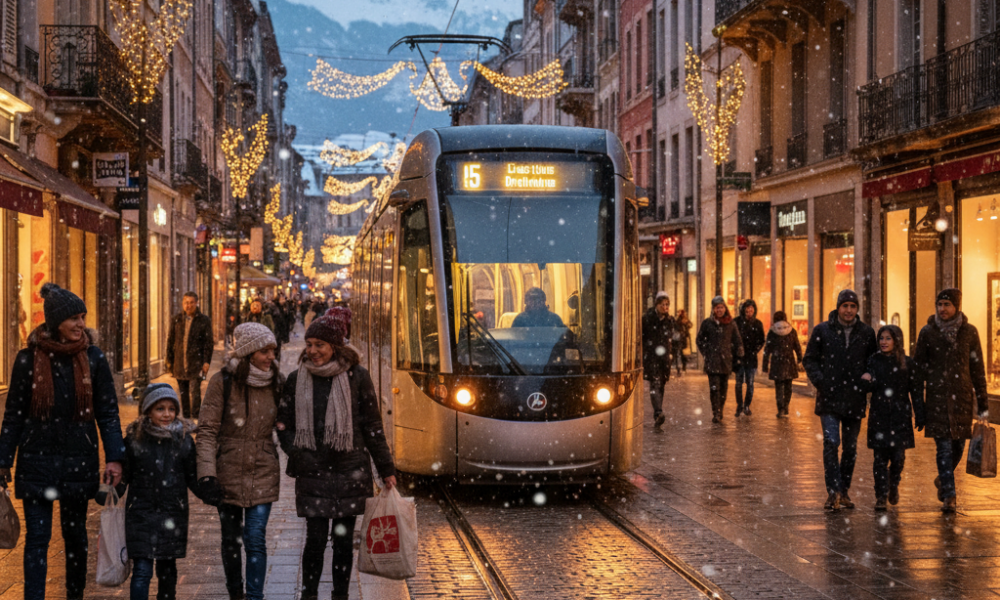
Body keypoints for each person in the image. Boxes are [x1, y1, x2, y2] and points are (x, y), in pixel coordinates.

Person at [0, 282, 125, 600]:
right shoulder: (28, 360)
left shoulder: (93, 359)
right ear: (55, 321)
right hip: (36, 460)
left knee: (75, 538)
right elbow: (13, 415)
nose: (80, 324)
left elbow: (108, 413)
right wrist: (3, 460)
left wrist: (115, 458)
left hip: (78, 459)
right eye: (74, 318)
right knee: (38, 539)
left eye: (82, 317)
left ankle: (74, 595)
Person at [276, 313, 396, 600]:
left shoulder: (357, 376)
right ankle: (309, 595)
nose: (313, 351)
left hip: (349, 469)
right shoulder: (296, 379)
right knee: (315, 541)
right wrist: (296, 451)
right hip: (313, 471)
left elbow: (371, 425)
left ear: (335, 346)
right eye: (309, 344)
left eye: (320, 345)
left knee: (342, 541)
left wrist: (386, 468)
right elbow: (283, 424)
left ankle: (340, 595)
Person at [197, 322, 283, 600]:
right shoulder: (222, 382)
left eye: (273, 350)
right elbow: (207, 430)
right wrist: (207, 474)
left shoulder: (277, 382)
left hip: (263, 467)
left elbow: (288, 425)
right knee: (231, 541)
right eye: (265, 351)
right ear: (248, 353)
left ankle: (254, 597)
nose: (271, 356)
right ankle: (236, 593)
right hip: (228, 471)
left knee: (255, 538)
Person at [119, 383, 200, 600]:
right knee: (142, 570)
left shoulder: (183, 442)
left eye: (171, 409)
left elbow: (194, 478)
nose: (167, 414)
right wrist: (110, 488)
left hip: (172, 515)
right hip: (141, 514)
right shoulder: (134, 440)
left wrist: (216, 494)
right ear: (148, 411)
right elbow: (123, 476)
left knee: (167, 572)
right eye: (160, 408)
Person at [913, 288, 989, 513]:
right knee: (943, 447)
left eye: (947, 304)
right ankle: (949, 494)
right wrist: (918, 407)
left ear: (956, 306)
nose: (942, 309)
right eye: (939, 304)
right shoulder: (928, 332)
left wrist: (983, 403)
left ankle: (943, 479)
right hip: (937, 400)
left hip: (962, 400)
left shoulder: (969, 333)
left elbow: (978, 369)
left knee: (958, 446)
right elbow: (917, 373)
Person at [803, 289, 877, 511]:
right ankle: (833, 491)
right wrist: (821, 381)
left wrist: (868, 378)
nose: (848, 310)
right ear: (838, 308)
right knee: (831, 443)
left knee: (851, 448)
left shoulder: (866, 333)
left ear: (857, 309)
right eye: (845, 306)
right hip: (829, 399)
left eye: (852, 306)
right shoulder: (822, 331)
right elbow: (810, 360)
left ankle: (843, 490)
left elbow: (873, 361)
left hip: (854, 398)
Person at [860, 325, 925, 511]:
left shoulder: (907, 363)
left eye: (888, 338)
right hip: (879, 415)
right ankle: (880, 496)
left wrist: (920, 414)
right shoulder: (873, 360)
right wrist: (866, 380)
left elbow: (916, 390)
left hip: (900, 416)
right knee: (880, 459)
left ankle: (893, 484)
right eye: (881, 338)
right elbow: (868, 386)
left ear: (896, 340)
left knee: (898, 458)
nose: (883, 342)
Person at [165, 291, 215, 419]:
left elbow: (208, 343)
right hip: (180, 361)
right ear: (182, 304)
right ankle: (187, 417)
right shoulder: (177, 319)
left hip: (196, 362)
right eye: (186, 303)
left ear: (197, 303)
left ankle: (196, 416)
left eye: (191, 303)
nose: (189, 306)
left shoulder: (204, 320)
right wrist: (169, 359)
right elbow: (171, 341)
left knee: (195, 391)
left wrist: (206, 361)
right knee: (183, 392)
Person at [696, 296, 744, 423]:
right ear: (713, 309)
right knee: (714, 388)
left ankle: (720, 408)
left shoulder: (730, 323)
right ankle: (716, 412)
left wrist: (738, 350)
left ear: (725, 308)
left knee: (723, 388)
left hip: (725, 362)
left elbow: (737, 340)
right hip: (712, 361)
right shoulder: (707, 323)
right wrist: (706, 352)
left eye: (721, 307)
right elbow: (699, 340)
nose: (719, 310)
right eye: (717, 308)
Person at [641, 291, 674, 429]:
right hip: (651, 356)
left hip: (664, 358)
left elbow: (671, 338)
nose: (665, 307)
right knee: (655, 383)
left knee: (661, 384)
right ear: (657, 305)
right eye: (662, 305)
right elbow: (642, 337)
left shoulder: (670, 320)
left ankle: (658, 411)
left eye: (667, 305)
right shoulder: (648, 318)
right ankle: (658, 412)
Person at [762, 311, 802, 418]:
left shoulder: (773, 331)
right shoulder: (791, 330)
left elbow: (767, 349)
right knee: (788, 386)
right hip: (789, 361)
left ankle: (781, 409)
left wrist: (765, 364)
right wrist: (800, 358)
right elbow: (797, 345)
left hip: (777, 362)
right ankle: (786, 406)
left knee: (779, 387)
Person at [733, 299, 766, 417]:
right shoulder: (736, 322)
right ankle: (739, 405)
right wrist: (736, 350)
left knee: (750, 383)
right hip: (739, 358)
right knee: (738, 383)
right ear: (743, 310)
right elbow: (732, 338)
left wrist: (754, 350)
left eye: (751, 309)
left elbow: (762, 339)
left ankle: (747, 405)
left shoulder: (757, 324)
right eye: (747, 308)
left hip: (751, 358)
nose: (749, 311)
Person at [674, 309, 693, 376]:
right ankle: (679, 368)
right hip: (679, 339)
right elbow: (675, 327)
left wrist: (686, 324)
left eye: (679, 312)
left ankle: (683, 367)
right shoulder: (678, 320)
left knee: (682, 354)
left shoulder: (685, 320)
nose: (678, 313)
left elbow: (690, 325)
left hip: (683, 339)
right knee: (679, 353)